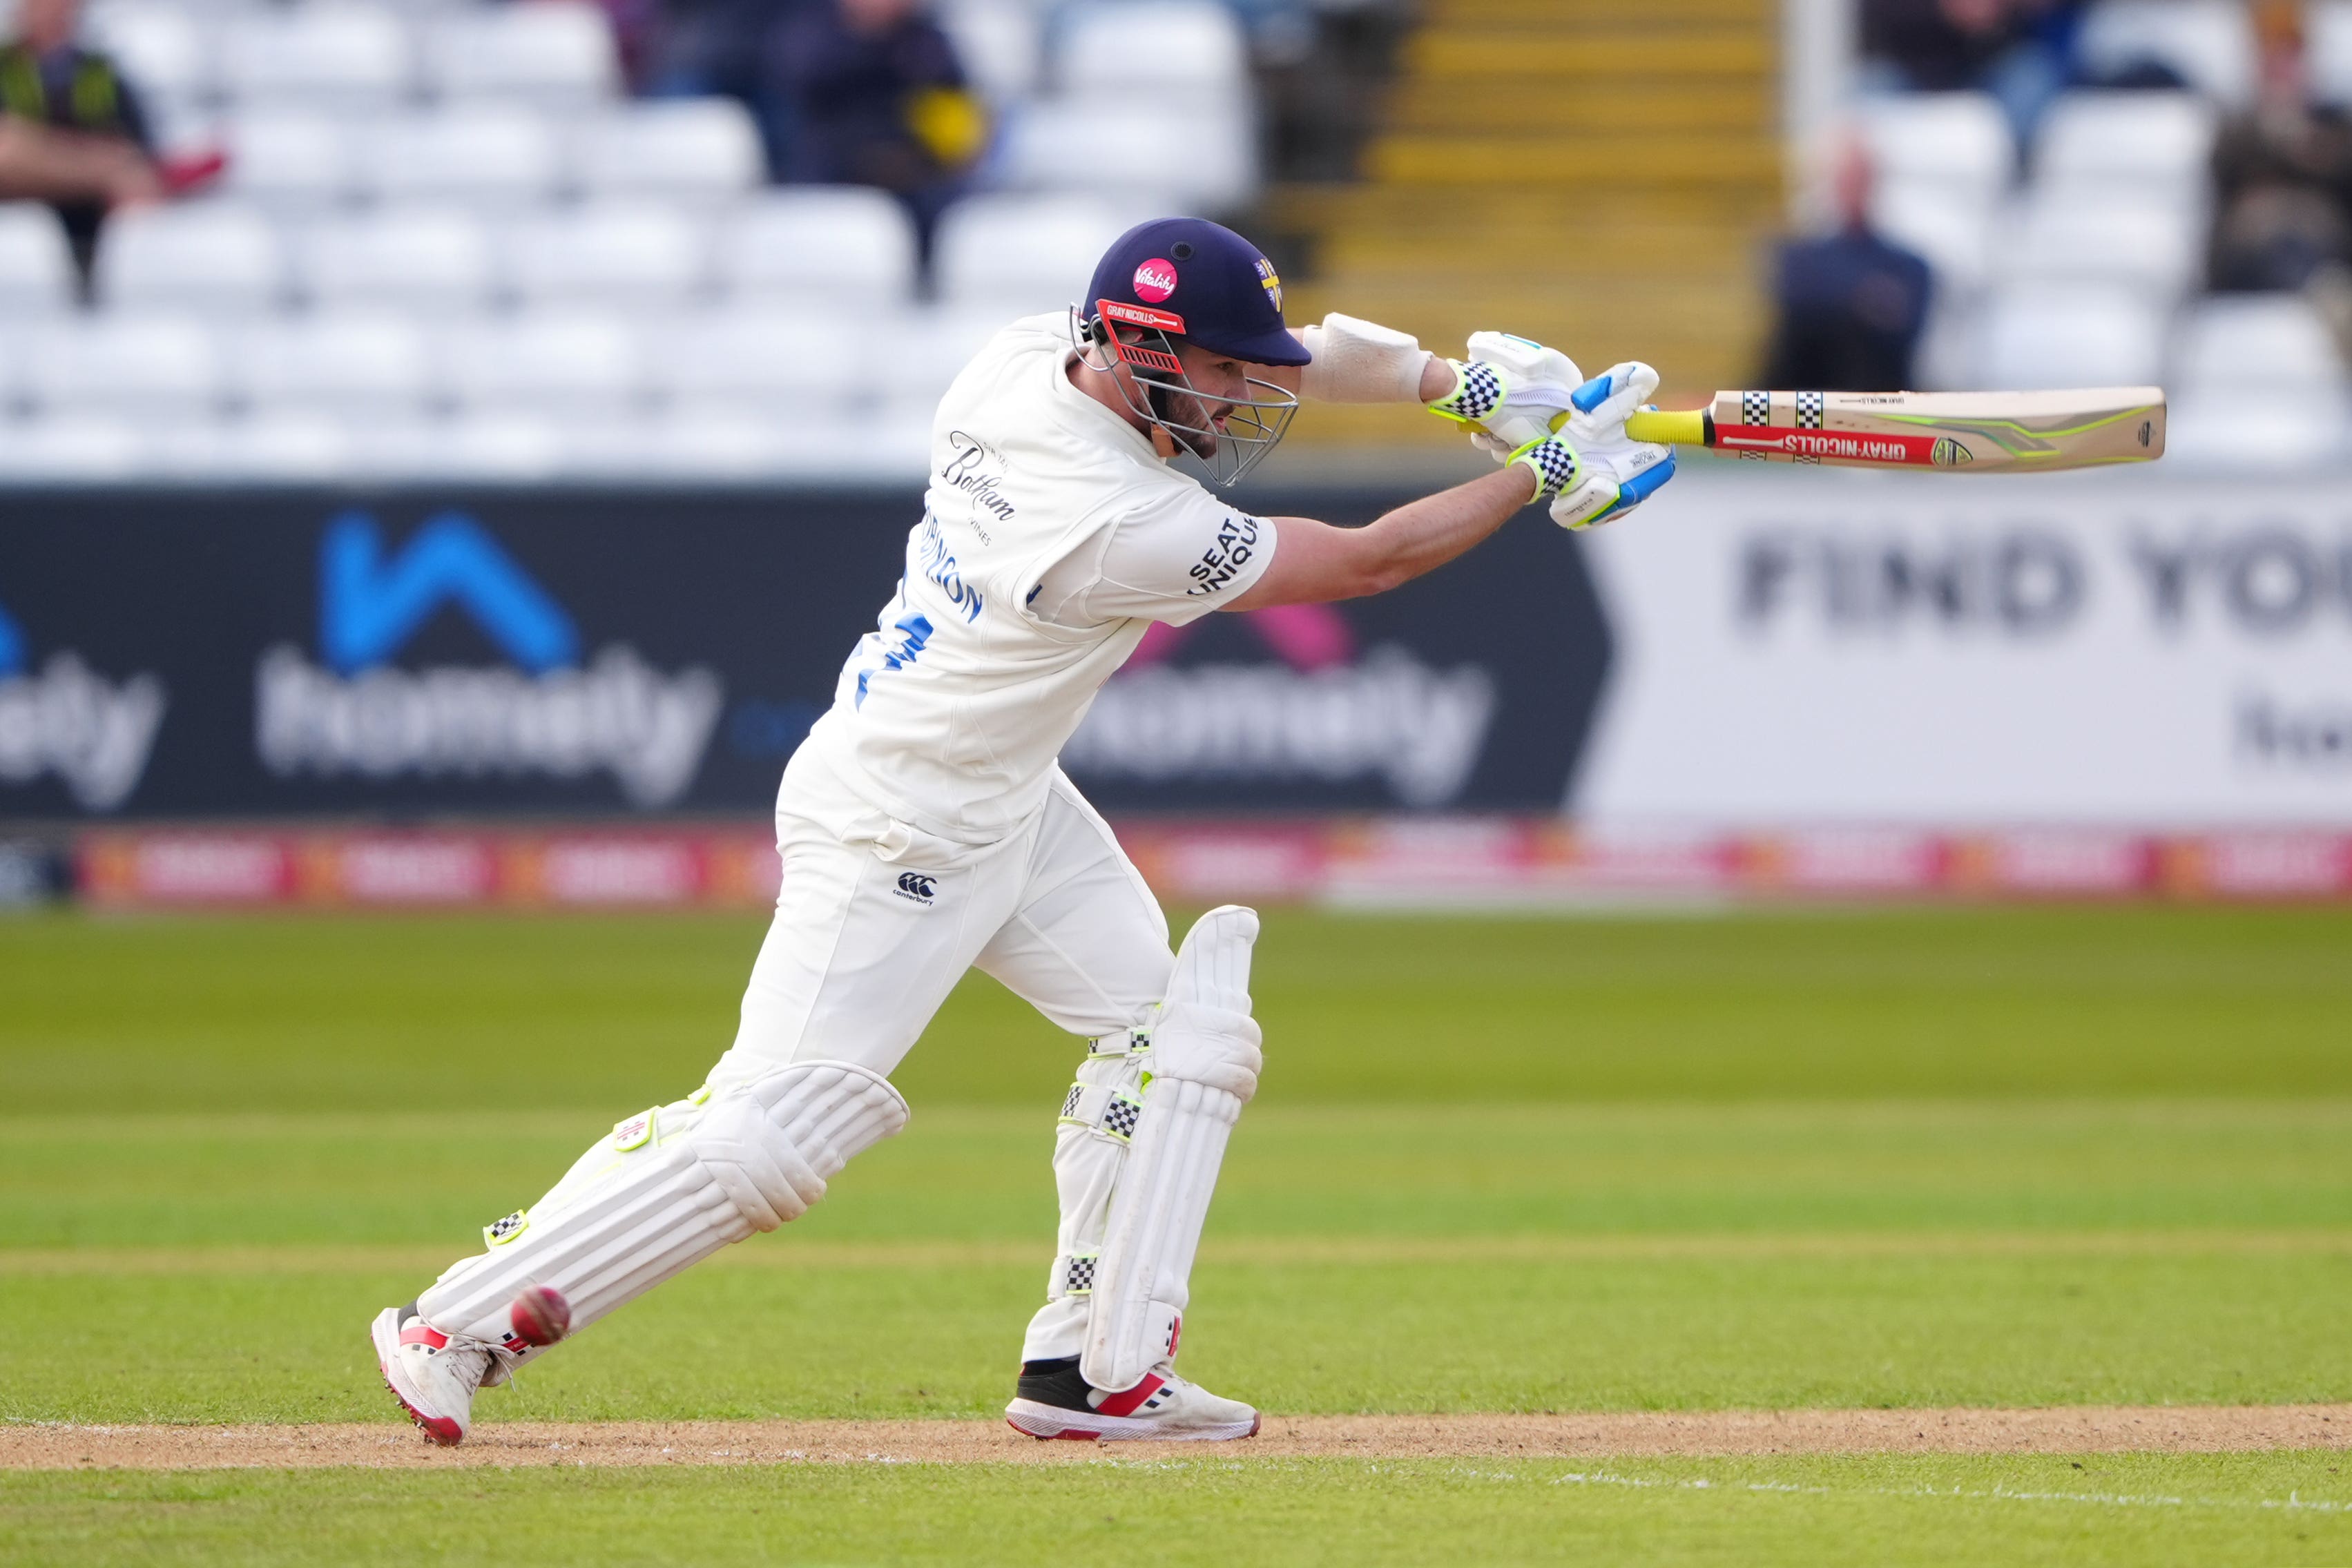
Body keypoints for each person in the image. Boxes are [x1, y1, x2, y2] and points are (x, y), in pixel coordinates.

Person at [369, 216, 1677, 1446]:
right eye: (1219, 378)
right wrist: (1536, 469)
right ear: (1136, 355)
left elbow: (1300, 352)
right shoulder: (1111, 521)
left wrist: (1454, 384)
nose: (1240, 404)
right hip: (900, 820)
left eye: (1243, 373)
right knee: (772, 1134)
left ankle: (1098, 1370)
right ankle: (458, 1321)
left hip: (1009, 798)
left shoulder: (1021, 356)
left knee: (1179, 1040)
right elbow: (1369, 561)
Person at [767, 0, 985, 272]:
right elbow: (803, 89)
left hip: (910, 177)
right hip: (831, 171)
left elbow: (957, 119)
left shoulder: (929, 45)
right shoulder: (814, 38)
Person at [0, 0, 163, 293]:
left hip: (94, 229)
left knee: (141, 192)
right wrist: (97, 166)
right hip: (15, 223)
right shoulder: (5, 68)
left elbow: (139, 158)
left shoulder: (100, 73)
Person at [1758, 132, 1934, 394]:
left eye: (1857, 178)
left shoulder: (1909, 266)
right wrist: (1869, 299)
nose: (1851, 187)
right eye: (1845, 178)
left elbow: (1906, 332)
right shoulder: (1800, 259)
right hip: (1808, 405)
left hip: (1879, 403)